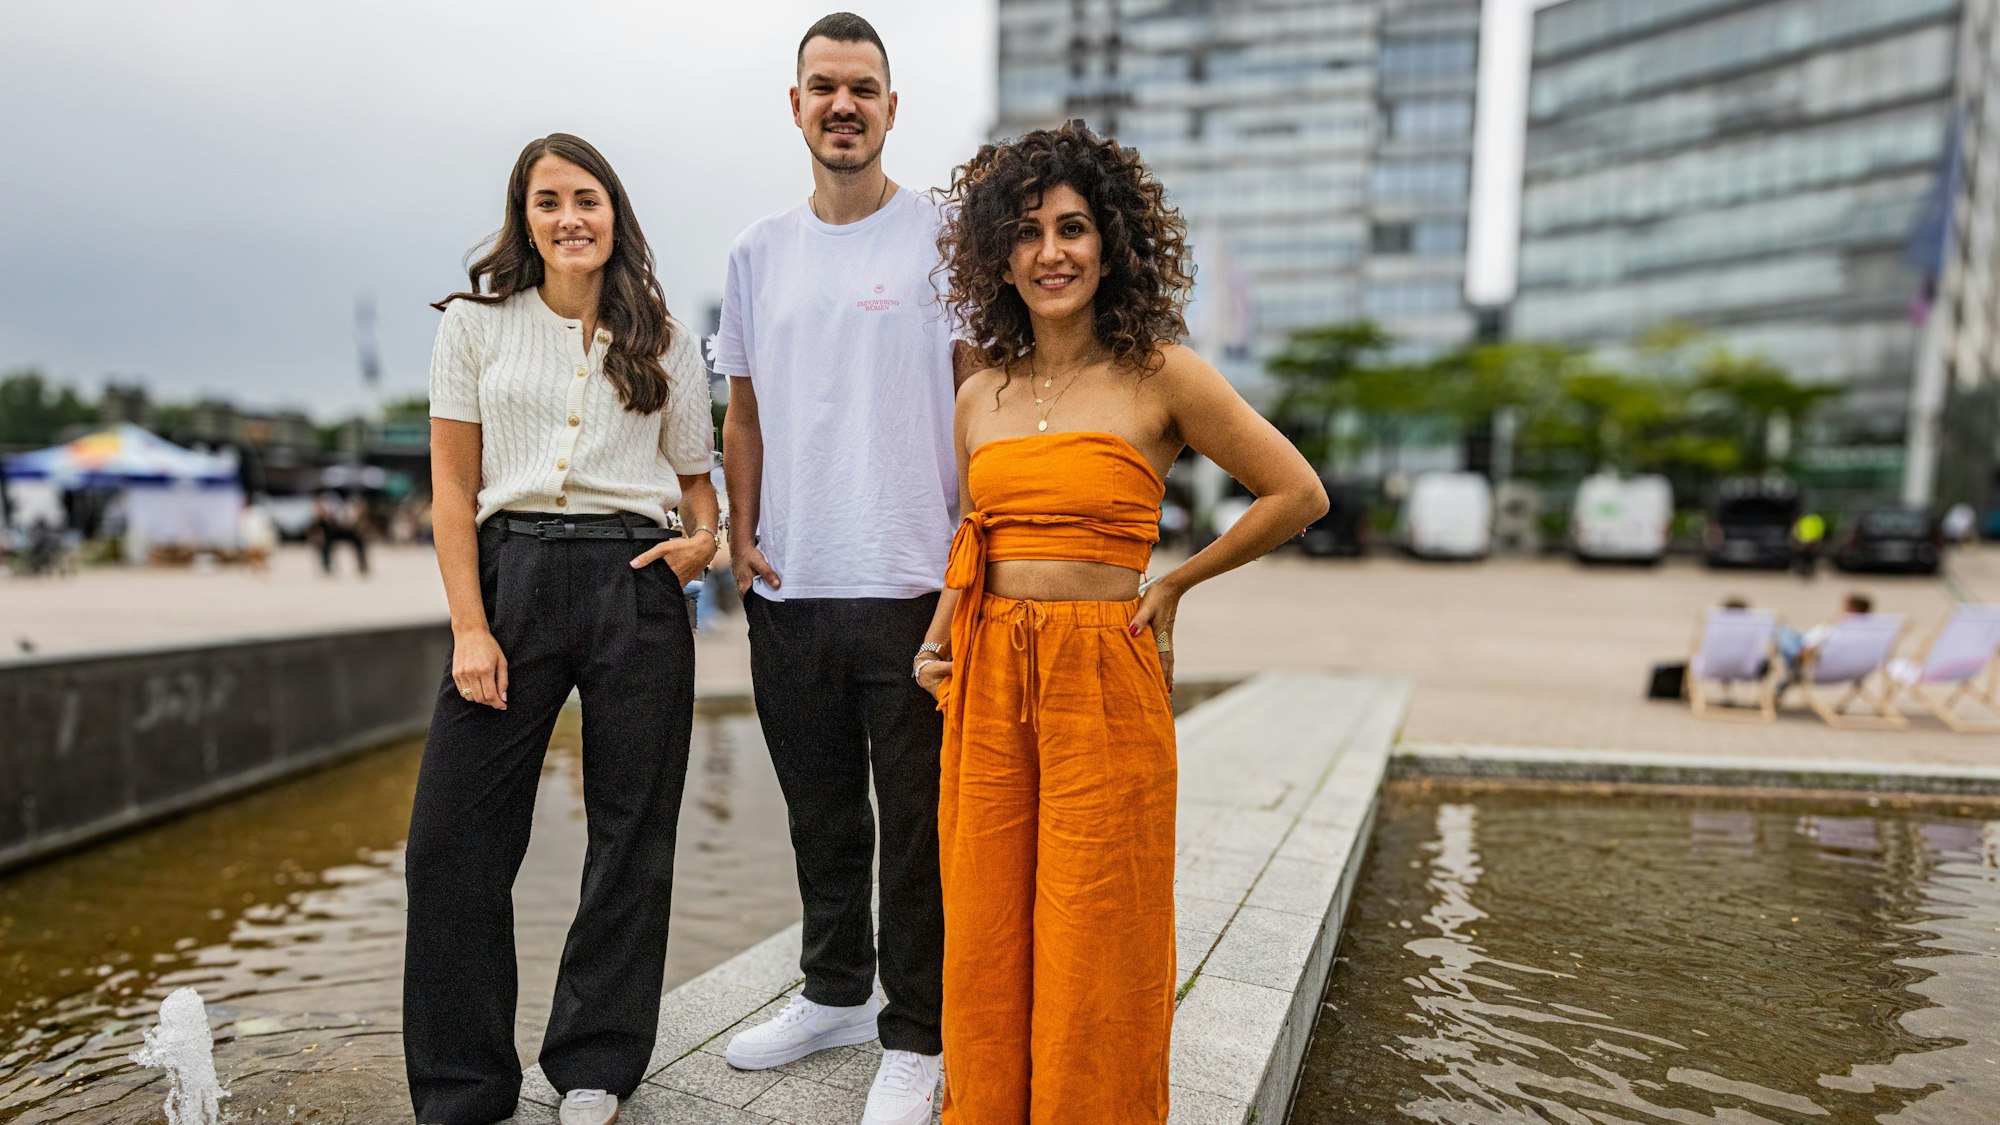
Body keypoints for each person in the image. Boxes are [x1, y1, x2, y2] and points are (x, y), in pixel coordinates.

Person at [917, 121, 1328, 1123]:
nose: (1049, 252)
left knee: (1095, 922)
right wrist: (935, 637)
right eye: (1025, 232)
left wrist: (1177, 583)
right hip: (986, 674)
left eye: (1071, 228)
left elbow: (1295, 492)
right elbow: (976, 532)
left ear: (1109, 244)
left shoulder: (1161, 373)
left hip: (1103, 671)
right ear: (998, 254)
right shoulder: (978, 392)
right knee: (984, 920)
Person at [403, 133, 719, 1125]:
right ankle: (463, 1090)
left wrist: (700, 545)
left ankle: (594, 1066)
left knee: (631, 831)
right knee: (449, 842)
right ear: (524, 218)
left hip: (635, 580)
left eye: (585, 198)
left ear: (613, 213)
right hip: (512, 580)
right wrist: (470, 629)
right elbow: (452, 492)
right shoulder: (473, 327)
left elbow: (698, 487)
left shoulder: (664, 340)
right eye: (547, 202)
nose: (568, 217)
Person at [712, 15, 972, 1125]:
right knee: (821, 812)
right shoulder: (755, 252)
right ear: (795, 104)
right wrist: (739, 530)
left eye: (862, 87)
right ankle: (833, 993)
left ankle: (917, 1036)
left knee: (916, 827)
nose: (843, 105)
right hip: (791, 584)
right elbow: (745, 411)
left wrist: (973, 560)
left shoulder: (945, 239)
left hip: (914, 578)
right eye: (823, 87)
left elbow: (978, 401)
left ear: (891, 107)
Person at [1779, 591, 1873, 685]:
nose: (1841, 609)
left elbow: (1814, 647)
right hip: (1810, 646)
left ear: (1852, 609)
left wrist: (1803, 653)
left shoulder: (1844, 629)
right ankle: (1786, 678)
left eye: (1845, 607)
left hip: (1806, 653)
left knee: (1779, 631)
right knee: (1783, 631)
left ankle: (1787, 677)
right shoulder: (1865, 631)